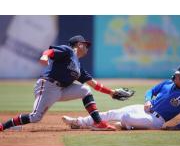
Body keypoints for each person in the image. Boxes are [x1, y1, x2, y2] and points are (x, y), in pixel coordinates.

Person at [0, 35, 133, 132]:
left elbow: (94, 84)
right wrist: (45, 56)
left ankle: (98, 123)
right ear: (79, 44)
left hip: (61, 91)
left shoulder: (78, 66)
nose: (87, 48)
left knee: (86, 90)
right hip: (47, 86)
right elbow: (50, 51)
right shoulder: (68, 51)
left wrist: (111, 92)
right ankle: (3, 126)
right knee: (35, 117)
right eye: (85, 45)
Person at [62, 64, 180, 130]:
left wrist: (178, 127)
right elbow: (150, 91)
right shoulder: (168, 83)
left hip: (156, 121)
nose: (175, 75)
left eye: (178, 74)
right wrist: (148, 100)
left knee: (126, 117)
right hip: (144, 110)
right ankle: (78, 122)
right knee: (112, 113)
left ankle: (126, 125)